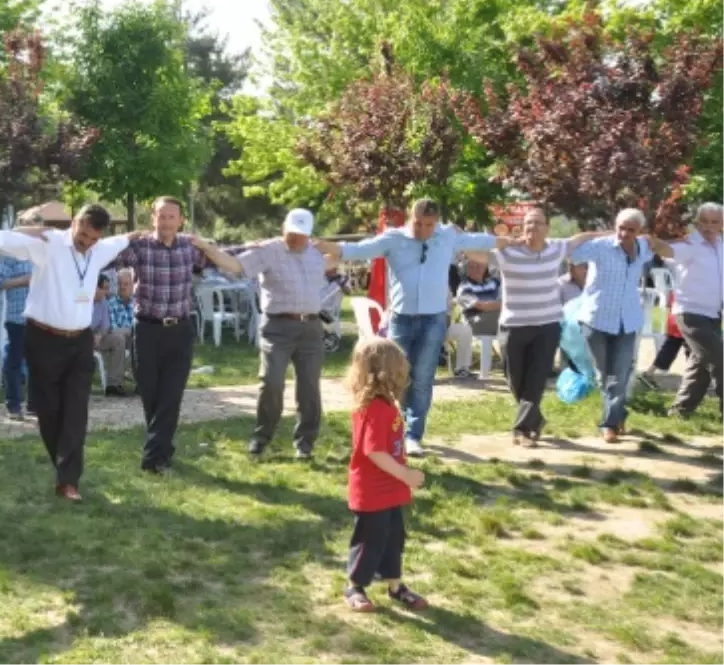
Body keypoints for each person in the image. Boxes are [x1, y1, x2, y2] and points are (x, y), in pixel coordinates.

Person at [319, 199, 513, 455]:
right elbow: (355, 250)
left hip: (433, 318)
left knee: (422, 379)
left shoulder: (447, 236)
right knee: (393, 376)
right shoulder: (393, 239)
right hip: (401, 317)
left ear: (437, 222)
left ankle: (413, 435)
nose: (422, 230)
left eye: (429, 225)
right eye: (418, 223)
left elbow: (484, 241)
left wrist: (516, 242)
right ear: (411, 217)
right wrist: (320, 245)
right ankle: (389, 428)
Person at [0, 205, 136, 500]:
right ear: (75, 223)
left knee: (76, 409)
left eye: (94, 238)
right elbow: (4, 239)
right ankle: (62, 462)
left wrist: (144, 232)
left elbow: (129, 238)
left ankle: (69, 480)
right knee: (49, 408)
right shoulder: (50, 243)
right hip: (43, 337)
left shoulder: (100, 248)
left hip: (80, 340)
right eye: (83, 235)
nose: (86, 243)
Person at [113, 197, 238, 474]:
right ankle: (163, 452)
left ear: (181, 220)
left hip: (180, 330)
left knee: (171, 395)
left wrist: (206, 245)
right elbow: (106, 258)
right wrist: (124, 237)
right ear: (152, 218)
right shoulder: (140, 247)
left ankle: (152, 460)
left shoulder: (189, 247)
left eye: (172, 217)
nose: (166, 222)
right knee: (152, 396)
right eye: (161, 216)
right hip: (147, 329)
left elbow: (227, 264)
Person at [209, 209, 330, 459]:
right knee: (272, 382)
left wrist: (334, 248)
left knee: (309, 386)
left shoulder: (316, 253)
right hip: (278, 327)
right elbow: (235, 265)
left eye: (302, 235)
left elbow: (339, 257)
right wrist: (205, 248)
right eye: (292, 233)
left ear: (310, 235)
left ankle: (305, 443)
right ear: (283, 228)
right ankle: (262, 436)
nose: (296, 239)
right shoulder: (268, 250)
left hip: (311, 327)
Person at [493, 210, 606, 446]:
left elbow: (580, 238)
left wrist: (614, 233)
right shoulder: (507, 252)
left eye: (537, 223)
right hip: (513, 325)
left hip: (547, 325)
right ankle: (535, 419)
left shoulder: (556, 248)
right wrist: (494, 241)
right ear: (522, 227)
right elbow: (476, 254)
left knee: (536, 379)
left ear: (547, 228)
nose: (532, 226)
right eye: (528, 223)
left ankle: (523, 430)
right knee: (516, 380)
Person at [571, 208, 674, 442]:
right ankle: (619, 413)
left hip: (627, 320)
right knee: (603, 374)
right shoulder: (601, 246)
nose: (625, 233)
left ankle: (609, 424)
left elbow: (669, 252)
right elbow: (571, 250)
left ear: (639, 231)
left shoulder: (644, 248)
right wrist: (602, 233)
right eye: (621, 227)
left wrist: (655, 241)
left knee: (619, 375)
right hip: (595, 319)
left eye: (631, 229)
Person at [342, 337, 428, 613]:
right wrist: (406, 474)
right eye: (400, 367)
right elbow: (374, 451)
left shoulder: (384, 402)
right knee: (370, 539)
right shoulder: (375, 407)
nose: (405, 371)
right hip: (373, 489)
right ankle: (355, 586)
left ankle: (395, 585)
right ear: (387, 371)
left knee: (393, 538)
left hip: (389, 488)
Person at [665, 203, 724, 419]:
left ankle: (680, 412)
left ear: (722, 224)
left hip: (713, 314)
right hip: (691, 313)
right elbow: (669, 251)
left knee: (700, 365)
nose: (709, 227)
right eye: (704, 222)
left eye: (714, 222)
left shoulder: (721, 246)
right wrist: (658, 242)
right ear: (698, 222)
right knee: (720, 359)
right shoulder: (690, 243)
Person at [0, 228, 34, 420]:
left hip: (41, 317)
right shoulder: (9, 253)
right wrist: (25, 280)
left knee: (40, 364)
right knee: (14, 362)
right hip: (18, 316)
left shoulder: (42, 252)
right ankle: (13, 404)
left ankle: (35, 405)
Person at [101, 268, 137, 395]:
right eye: (120, 284)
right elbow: (114, 329)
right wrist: (131, 331)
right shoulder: (111, 304)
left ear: (132, 285)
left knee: (145, 338)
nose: (122, 287)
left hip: (134, 337)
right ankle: (114, 385)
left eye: (126, 284)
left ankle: (142, 383)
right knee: (120, 339)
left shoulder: (137, 304)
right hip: (118, 337)